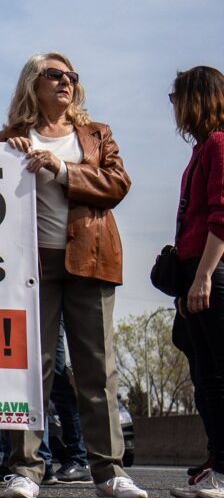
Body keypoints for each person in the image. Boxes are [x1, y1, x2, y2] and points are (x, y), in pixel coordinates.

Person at [0, 52, 145, 498]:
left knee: (97, 370)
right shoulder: (7, 139)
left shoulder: (97, 135)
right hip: (31, 269)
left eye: (71, 77)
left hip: (92, 260)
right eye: (54, 75)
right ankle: (25, 469)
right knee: (30, 369)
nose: (66, 82)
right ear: (32, 84)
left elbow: (117, 184)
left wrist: (60, 168)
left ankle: (110, 471)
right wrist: (8, 157)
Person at [168, 66, 224, 498]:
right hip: (194, 273)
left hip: (212, 272)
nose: (174, 106)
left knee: (218, 374)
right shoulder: (203, 147)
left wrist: (203, 275)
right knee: (205, 376)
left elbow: (221, 217)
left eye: (177, 97)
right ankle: (215, 463)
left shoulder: (220, 144)